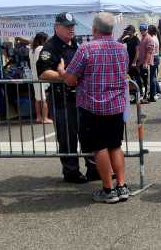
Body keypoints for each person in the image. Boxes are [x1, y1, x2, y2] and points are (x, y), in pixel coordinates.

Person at [60, 12, 130, 204]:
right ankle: (122, 186)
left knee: (99, 148)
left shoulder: (86, 49)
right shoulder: (121, 48)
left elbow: (70, 80)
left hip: (93, 106)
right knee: (115, 145)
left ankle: (108, 189)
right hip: (116, 105)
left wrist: (61, 71)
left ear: (94, 29)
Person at [37, 13, 98, 183]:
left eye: (72, 26)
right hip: (62, 99)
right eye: (67, 26)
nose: (71, 29)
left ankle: (93, 169)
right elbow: (43, 73)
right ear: (57, 27)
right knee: (67, 137)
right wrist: (65, 76)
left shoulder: (75, 44)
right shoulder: (50, 47)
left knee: (87, 135)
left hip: (80, 98)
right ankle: (71, 172)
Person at [29, 32, 53, 124]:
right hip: (41, 75)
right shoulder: (42, 49)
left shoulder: (31, 50)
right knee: (43, 98)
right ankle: (45, 118)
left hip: (34, 76)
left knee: (37, 98)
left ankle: (38, 117)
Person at [119, 25, 141, 94]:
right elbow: (118, 42)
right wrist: (123, 35)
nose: (126, 31)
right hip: (129, 61)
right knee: (130, 77)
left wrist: (134, 62)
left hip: (135, 61)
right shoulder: (127, 39)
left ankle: (140, 91)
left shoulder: (136, 39)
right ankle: (133, 91)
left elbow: (137, 51)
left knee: (137, 77)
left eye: (128, 30)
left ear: (131, 31)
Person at [137, 24, 155, 102]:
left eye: (144, 29)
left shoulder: (149, 38)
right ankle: (147, 96)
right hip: (142, 63)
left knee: (147, 81)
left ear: (147, 30)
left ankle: (147, 97)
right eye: (141, 29)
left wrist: (145, 63)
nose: (142, 31)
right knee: (144, 80)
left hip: (146, 63)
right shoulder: (142, 38)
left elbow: (149, 52)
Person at [148, 25, 161, 100]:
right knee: (154, 76)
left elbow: (150, 51)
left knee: (152, 78)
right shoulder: (155, 37)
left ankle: (153, 94)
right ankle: (159, 92)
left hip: (154, 58)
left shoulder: (152, 39)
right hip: (156, 57)